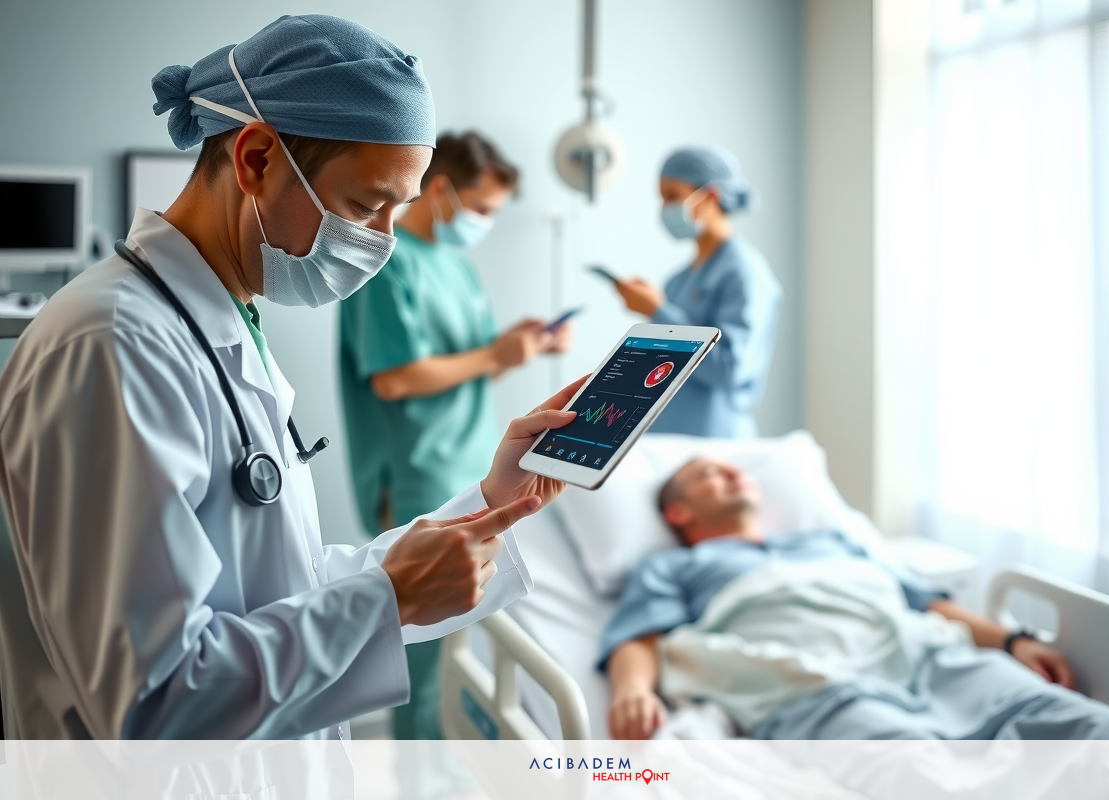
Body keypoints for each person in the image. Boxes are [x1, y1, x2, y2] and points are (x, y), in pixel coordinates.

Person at [0, 15, 582, 740]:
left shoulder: (217, 320)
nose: (382, 241)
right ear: (256, 160)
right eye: (367, 206)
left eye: (397, 210)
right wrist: (386, 601)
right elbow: (153, 702)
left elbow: (278, 585)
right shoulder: (111, 346)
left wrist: (490, 504)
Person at [601, 457, 1109, 741]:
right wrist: (632, 693)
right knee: (905, 761)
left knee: (1082, 724)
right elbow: (640, 637)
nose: (732, 474)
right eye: (710, 476)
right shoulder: (674, 566)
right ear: (679, 514)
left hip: (928, 657)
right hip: (819, 681)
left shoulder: (832, 541)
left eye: (735, 469)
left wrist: (1015, 641)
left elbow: (924, 603)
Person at [339, 131, 570, 740]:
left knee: (457, 646)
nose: (486, 223)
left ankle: (443, 770)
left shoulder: (456, 266)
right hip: (415, 469)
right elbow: (394, 378)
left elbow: (472, 358)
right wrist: (495, 353)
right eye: (483, 209)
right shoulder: (386, 265)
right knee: (420, 649)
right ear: (439, 190)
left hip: (470, 462)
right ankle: (417, 776)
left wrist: (521, 347)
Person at [608, 145, 782, 438]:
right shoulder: (677, 281)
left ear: (711, 196)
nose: (665, 208)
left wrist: (657, 311)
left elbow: (730, 370)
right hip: (666, 440)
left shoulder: (745, 272)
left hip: (715, 443)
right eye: (661, 198)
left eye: (673, 196)